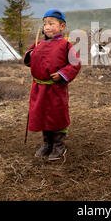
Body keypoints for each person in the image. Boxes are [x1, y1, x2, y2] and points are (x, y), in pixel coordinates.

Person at [24, 9, 81, 161]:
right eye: (45, 24)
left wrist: (62, 74)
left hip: (56, 88)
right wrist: (30, 55)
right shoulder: (38, 43)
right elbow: (29, 58)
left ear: (62, 27)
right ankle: (47, 143)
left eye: (51, 24)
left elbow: (75, 63)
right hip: (39, 88)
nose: (47, 27)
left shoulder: (65, 45)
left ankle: (58, 145)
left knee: (57, 115)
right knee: (42, 114)